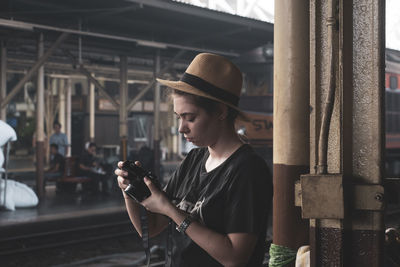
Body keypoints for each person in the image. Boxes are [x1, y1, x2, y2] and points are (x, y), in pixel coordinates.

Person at [115, 53, 273, 266]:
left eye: (190, 118)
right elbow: (152, 227)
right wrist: (130, 193)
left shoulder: (247, 169)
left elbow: (235, 257)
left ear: (220, 111)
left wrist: (171, 210)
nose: (181, 128)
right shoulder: (194, 159)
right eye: (178, 118)